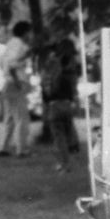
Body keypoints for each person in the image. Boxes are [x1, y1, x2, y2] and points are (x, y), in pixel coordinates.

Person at [41, 39, 80, 173]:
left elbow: (46, 97)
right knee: (68, 135)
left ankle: (64, 164)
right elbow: (71, 94)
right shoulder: (67, 77)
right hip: (67, 106)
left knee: (58, 139)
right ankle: (72, 157)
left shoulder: (48, 79)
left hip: (54, 108)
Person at [0, 21, 33, 157]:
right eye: (29, 32)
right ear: (25, 32)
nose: (30, 35)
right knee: (21, 118)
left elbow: (2, 63)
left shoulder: (10, 44)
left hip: (8, 83)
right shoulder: (20, 46)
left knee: (10, 118)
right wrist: (17, 81)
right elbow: (12, 64)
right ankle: (21, 149)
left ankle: (3, 147)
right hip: (16, 83)